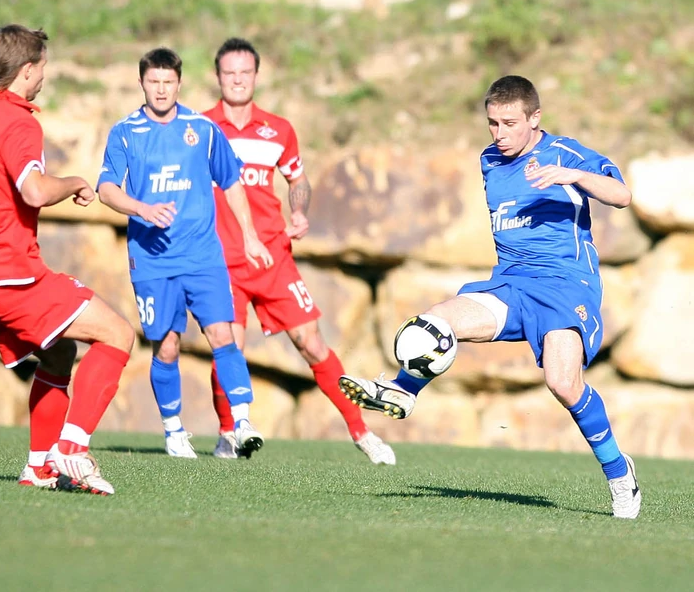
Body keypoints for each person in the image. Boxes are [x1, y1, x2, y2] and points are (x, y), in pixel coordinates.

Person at [340, 75, 641, 517]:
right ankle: (403, 390)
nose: (500, 134)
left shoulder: (564, 153)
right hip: (511, 283)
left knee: (563, 383)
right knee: (434, 324)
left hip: (564, 284)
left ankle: (618, 473)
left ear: (535, 118)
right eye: (493, 123)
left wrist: (573, 176)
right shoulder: (490, 160)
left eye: (510, 123)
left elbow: (622, 195)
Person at [0, 24, 135, 496]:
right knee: (118, 334)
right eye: (41, 67)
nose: (43, 75)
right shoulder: (20, 123)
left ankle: (39, 467)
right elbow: (34, 191)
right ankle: (71, 448)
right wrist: (75, 181)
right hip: (10, 273)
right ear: (26, 70)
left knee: (59, 352)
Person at [202, 38, 395, 465]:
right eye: (229, 73)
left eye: (245, 72)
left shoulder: (278, 130)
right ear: (217, 77)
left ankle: (362, 432)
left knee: (311, 343)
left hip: (273, 257)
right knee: (228, 347)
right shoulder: (199, 129)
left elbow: (297, 179)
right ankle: (228, 434)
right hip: (221, 260)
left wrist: (300, 211)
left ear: (256, 76)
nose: (237, 80)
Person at [97, 47, 271, 459]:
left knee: (223, 335)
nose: (161, 89)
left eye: (168, 82)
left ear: (179, 83)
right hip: (152, 258)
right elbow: (106, 189)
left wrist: (249, 236)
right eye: (153, 82)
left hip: (203, 255)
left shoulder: (202, 129)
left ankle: (241, 422)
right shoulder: (125, 133)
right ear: (141, 83)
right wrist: (141, 209)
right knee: (167, 346)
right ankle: (174, 430)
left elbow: (231, 182)